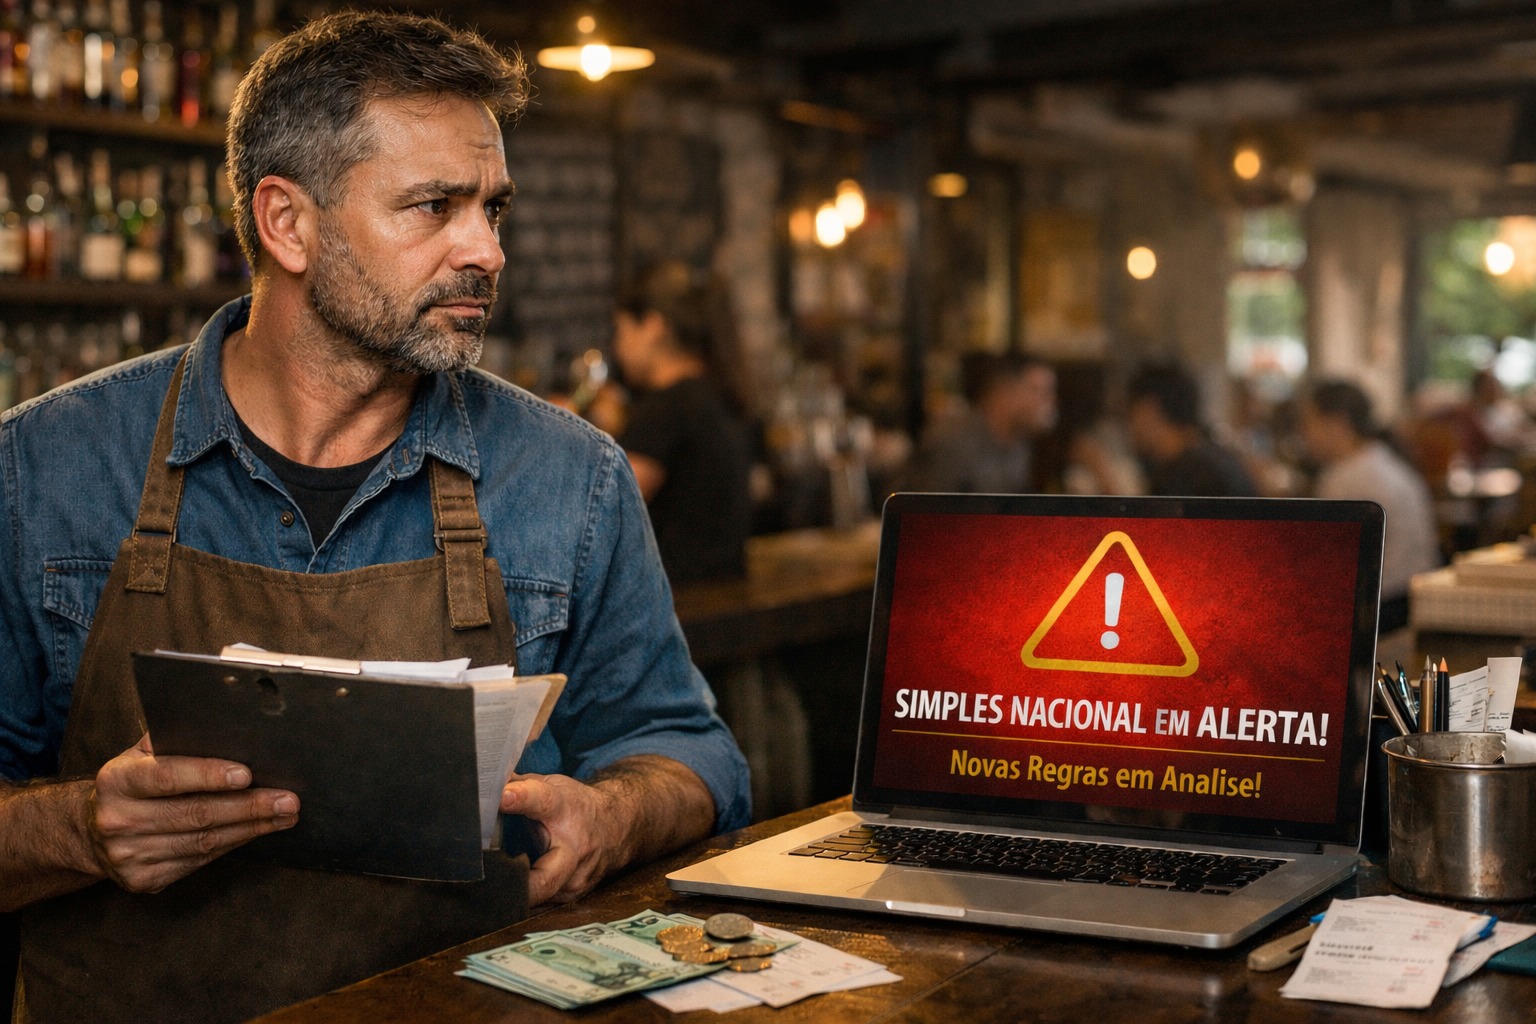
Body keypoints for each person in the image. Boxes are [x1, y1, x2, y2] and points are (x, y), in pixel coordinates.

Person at [0, 13, 749, 1024]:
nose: (483, 249)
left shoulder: (571, 479)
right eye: (434, 205)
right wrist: (84, 829)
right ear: (287, 223)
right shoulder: (43, 469)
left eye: (493, 207)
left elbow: (692, 751)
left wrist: (613, 813)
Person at [612, 262, 754, 584]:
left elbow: (609, 509)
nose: (618, 348)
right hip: (721, 593)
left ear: (652, 326)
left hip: (679, 607)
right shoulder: (717, 393)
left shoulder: (667, 407)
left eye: (621, 330)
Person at [1300, 379, 1440, 632]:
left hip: (1379, 611)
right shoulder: (1381, 460)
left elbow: (1328, 568)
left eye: (1309, 423)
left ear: (1337, 424)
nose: (1305, 434)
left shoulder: (1346, 477)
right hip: (1411, 601)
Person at [900, 351, 1057, 493]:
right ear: (1004, 392)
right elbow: (929, 514)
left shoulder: (1020, 442)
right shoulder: (954, 441)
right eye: (1039, 391)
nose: (1049, 401)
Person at [1126, 362, 1258, 497]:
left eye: (1130, 412)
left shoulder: (1181, 477)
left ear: (1148, 411)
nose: (1129, 424)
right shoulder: (1215, 456)